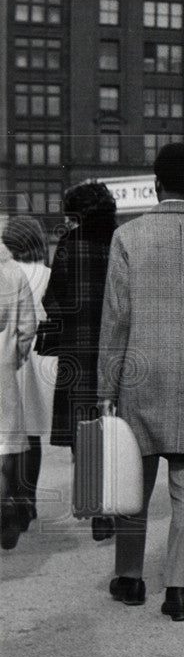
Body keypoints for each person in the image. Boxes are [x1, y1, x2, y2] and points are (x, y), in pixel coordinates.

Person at [97, 143, 184, 621]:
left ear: (156, 182)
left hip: (139, 378)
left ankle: (130, 579)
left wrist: (105, 393)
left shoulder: (128, 237)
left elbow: (116, 320)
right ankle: (178, 590)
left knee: (133, 481)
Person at [42, 182, 118, 542]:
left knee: (83, 432)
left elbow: (52, 298)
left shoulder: (70, 245)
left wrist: (68, 324)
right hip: (117, 350)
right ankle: (114, 504)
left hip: (78, 350)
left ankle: (94, 507)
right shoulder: (121, 241)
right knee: (115, 430)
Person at [2, 217, 57, 537]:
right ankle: (27, 500)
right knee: (33, 437)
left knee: (9, 437)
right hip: (40, 361)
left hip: (9, 357)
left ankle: (7, 498)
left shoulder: (7, 273)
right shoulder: (48, 275)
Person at [0, 244, 37, 550]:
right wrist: (16, 356)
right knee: (5, 444)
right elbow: (27, 327)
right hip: (3, 370)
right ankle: (6, 502)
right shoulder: (13, 272)